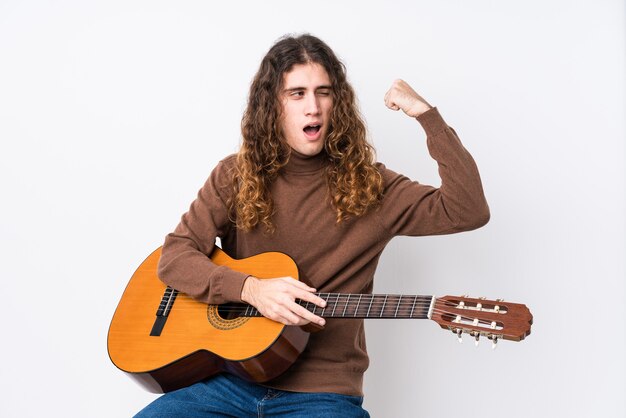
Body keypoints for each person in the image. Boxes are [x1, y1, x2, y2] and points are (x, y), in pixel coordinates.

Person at [135, 33, 489, 417]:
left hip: (323, 394)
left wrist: (426, 116)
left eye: (324, 92)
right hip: (228, 381)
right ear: (272, 105)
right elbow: (174, 258)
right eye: (297, 94)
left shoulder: (373, 187)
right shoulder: (235, 176)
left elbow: (468, 209)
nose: (313, 108)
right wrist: (250, 289)